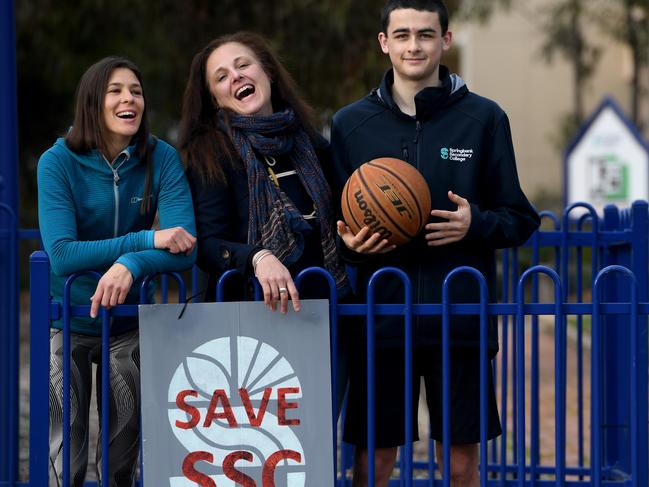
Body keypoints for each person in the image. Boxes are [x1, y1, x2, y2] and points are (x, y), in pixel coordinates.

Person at [330, 1, 541, 486]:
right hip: (380, 316)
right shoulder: (349, 125)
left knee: (461, 462)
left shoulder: (484, 119)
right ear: (384, 42)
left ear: (446, 40)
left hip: (459, 315)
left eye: (425, 35)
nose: (413, 45)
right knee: (373, 462)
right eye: (401, 35)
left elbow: (520, 218)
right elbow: (336, 232)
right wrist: (353, 246)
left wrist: (476, 224)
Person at [37, 56, 196, 487]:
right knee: (63, 460)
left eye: (136, 91)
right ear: (92, 102)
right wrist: (143, 242)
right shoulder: (57, 161)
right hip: (65, 320)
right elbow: (63, 255)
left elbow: (183, 247)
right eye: (116, 91)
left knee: (121, 459)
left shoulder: (161, 157)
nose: (130, 99)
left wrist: (130, 264)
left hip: (128, 322)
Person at [178, 31, 350, 311]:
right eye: (221, 77)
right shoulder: (210, 155)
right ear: (215, 100)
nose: (235, 76)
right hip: (251, 313)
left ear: (268, 72)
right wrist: (257, 257)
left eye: (243, 65)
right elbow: (207, 246)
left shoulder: (312, 144)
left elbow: (342, 219)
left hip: (325, 308)